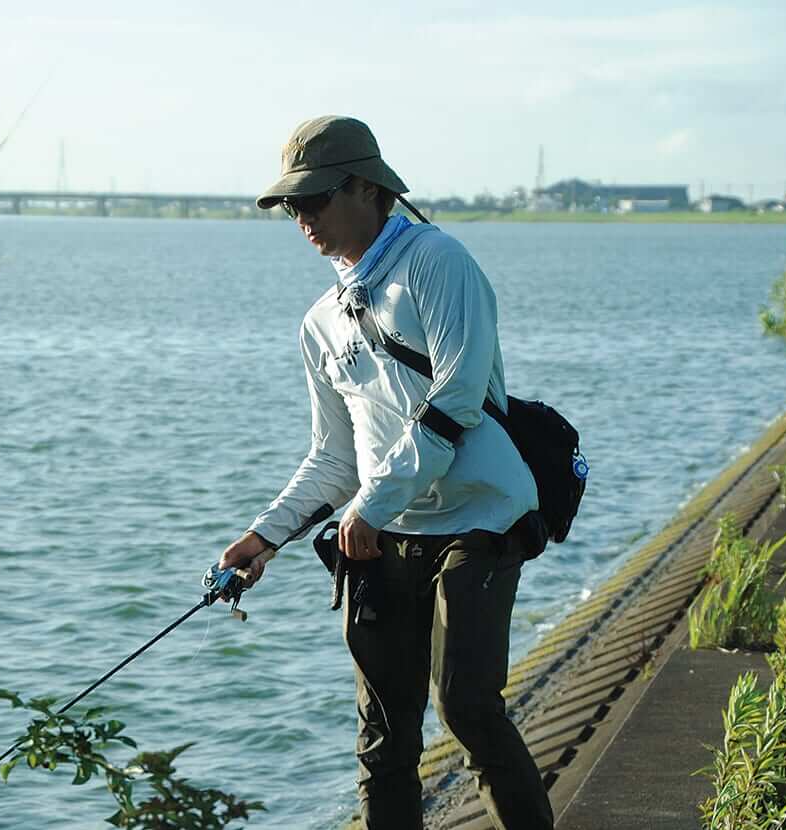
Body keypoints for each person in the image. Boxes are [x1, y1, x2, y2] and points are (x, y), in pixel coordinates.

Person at [218, 115, 553, 830]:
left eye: (314, 199)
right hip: (382, 535)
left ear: (368, 188)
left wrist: (370, 504)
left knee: (465, 704)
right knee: (383, 741)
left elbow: (456, 400)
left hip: (480, 517)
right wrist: (261, 537)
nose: (301, 217)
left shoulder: (438, 261)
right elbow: (335, 458)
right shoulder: (319, 322)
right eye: (290, 206)